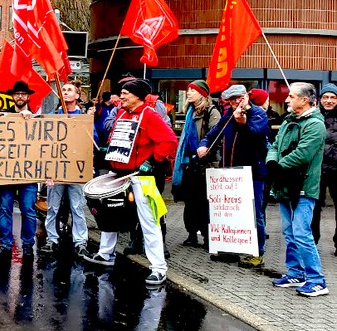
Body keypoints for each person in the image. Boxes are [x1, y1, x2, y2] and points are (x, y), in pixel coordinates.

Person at [83, 79, 176, 286]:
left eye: (125, 93)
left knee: (149, 222)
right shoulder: (123, 114)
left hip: (142, 178)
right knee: (110, 216)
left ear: (137, 96)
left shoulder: (150, 115)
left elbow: (169, 140)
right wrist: (109, 151)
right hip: (120, 174)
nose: (121, 97)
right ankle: (105, 254)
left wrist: (152, 161)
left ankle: (158, 268)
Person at [197, 84, 269, 267]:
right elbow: (212, 134)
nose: (236, 102)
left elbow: (254, 134)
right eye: (231, 99)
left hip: (253, 172)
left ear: (246, 96)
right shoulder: (228, 114)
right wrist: (203, 145)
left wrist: (242, 123)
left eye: (239, 97)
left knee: (255, 214)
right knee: (230, 213)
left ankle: (257, 253)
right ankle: (229, 249)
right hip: (229, 172)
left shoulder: (259, 113)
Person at [268, 82, 329, 297]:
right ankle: (296, 273)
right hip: (284, 185)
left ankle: (317, 280)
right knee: (289, 232)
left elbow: (303, 154)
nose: (287, 100)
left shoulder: (315, 125)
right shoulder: (288, 120)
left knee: (302, 234)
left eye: (292, 96)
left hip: (303, 187)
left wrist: (278, 166)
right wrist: (272, 162)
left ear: (305, 100)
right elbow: (275, 145)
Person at [40, 82, 90, 258]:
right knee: (53, 207)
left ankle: (80, 242)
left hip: (75, 170)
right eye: (64, 90)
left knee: (77, 207)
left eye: (70, 90)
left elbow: (93, 141)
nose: (66, 93)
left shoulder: (85, 117)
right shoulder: (53, 116)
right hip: (56, 171)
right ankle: (51, 239)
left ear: (77, 95)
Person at [0, 81, 39, 263]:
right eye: (17, 94)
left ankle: (27, 245)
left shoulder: (38, 118)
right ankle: (5, 245)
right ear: (13, 97)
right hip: (8, 173)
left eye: (23, 94)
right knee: (5, 208)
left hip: (29, 174)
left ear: (28, 97)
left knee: (28, 210)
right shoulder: (4, 117)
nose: (20, 97)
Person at [172, 80, 220, 248]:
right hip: (189, 163)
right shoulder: (189, 112)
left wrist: (205, 149)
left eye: (193, 90)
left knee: (204, 202)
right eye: (188, 90)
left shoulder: (211, 112)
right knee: (190, 201)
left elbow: (217, 137)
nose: (189, 92)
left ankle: (208, 236)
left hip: (205, 164)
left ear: (202, 93)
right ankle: (191, 233)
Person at [313, 83, 337, 252]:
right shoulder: (313, 117)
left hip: (336, 171)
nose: (329, 101)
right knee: (313, 209)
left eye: (333, 97)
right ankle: (312, 242)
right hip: (317, 171)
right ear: (320, 99)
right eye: (325, 97)